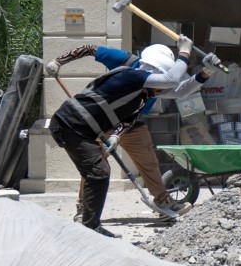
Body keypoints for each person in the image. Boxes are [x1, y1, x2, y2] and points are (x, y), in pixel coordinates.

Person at [46, 37, 207, 235]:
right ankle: (85, 214)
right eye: (160, 85)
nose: (162, 91)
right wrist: (184, 52)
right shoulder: (133, 73)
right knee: (95, 169)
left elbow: (174, 91)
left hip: (114, 121)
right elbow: (171, 81)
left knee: (142, 162)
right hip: (88, 121)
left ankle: (161, 202)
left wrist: (206, 73)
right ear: (155, 72)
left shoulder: (145, 94)